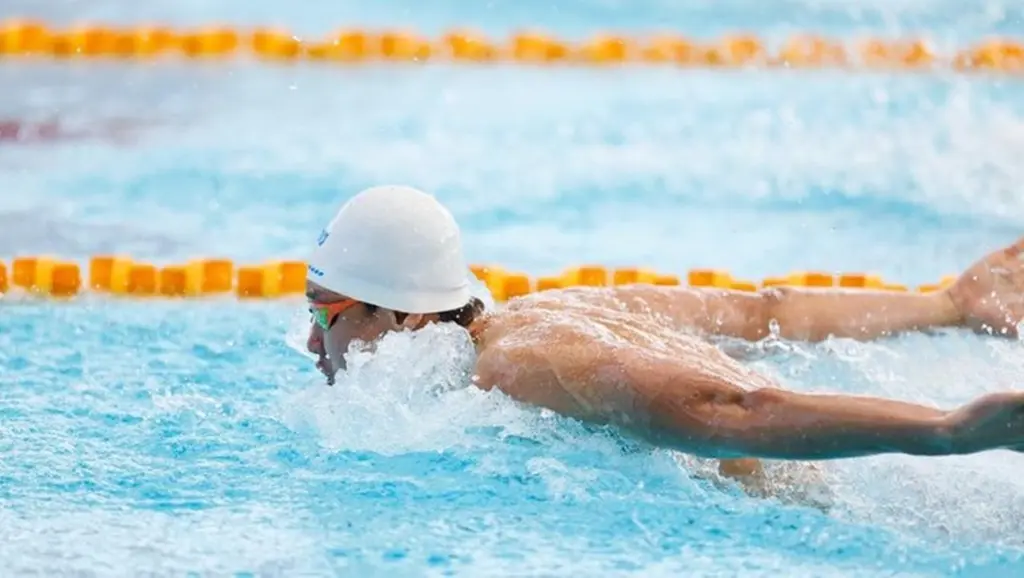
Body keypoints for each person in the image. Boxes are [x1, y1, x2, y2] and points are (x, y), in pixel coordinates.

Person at [303, 184, 1024, 493]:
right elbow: (762, 315)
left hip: (783, 499)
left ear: (409, 317)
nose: (312, 343)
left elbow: (730, 412)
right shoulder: (553, 308)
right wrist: (945, 306)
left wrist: (949, 432)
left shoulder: (521, 365)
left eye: (328, 313)